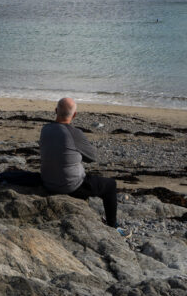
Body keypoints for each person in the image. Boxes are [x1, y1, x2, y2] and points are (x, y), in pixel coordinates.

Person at [39, 97, 129, 237]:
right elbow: (92, 157)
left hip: (47, 182)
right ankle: (113, 225)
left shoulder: (45, 129)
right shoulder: (75, 133)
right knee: (110, 185)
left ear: (56, 111)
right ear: (74, 115)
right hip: (71, 186)